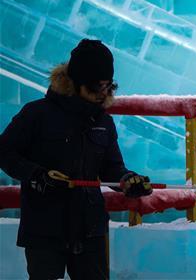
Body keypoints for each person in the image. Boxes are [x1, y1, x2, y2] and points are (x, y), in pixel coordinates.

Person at [0, 39, 153, 280]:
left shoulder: (103, 122)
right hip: (45, 226)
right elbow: (4, 152)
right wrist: (38, 175)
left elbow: (111, 167)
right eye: (96, 87)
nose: (103, 94)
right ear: (76, 82)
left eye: (108, 87)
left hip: (90, 227)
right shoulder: (36, 114)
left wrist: (127, 179)